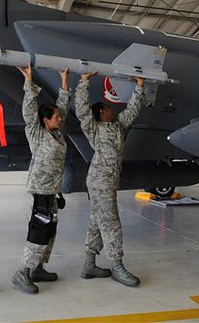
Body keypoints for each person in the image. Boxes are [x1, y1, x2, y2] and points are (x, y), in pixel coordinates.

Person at [74, 71, 145, 287]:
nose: (112, 110)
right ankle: (117, 265)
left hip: (108, 182)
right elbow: (81, 110)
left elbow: (132, 110)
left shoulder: (117, 126)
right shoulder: (93, 128)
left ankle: (89, 264)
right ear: (101, 113)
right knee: (111, 222)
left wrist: (139, 87)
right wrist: (83, 82)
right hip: (100, 182)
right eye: (108, 108)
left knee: (97, 221)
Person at [11, 64, 71, 294]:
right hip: (38, 193)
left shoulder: (56, 135)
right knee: (39, 234)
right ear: (46, 120)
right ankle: (22, 272)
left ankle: (37, 267)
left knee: (50, 232)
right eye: (56, 117)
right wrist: (28, 81)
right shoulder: (37, 133)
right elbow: (28, 111)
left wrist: (64, 81)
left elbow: (63, 107)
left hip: (51, 193)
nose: (60, 119)